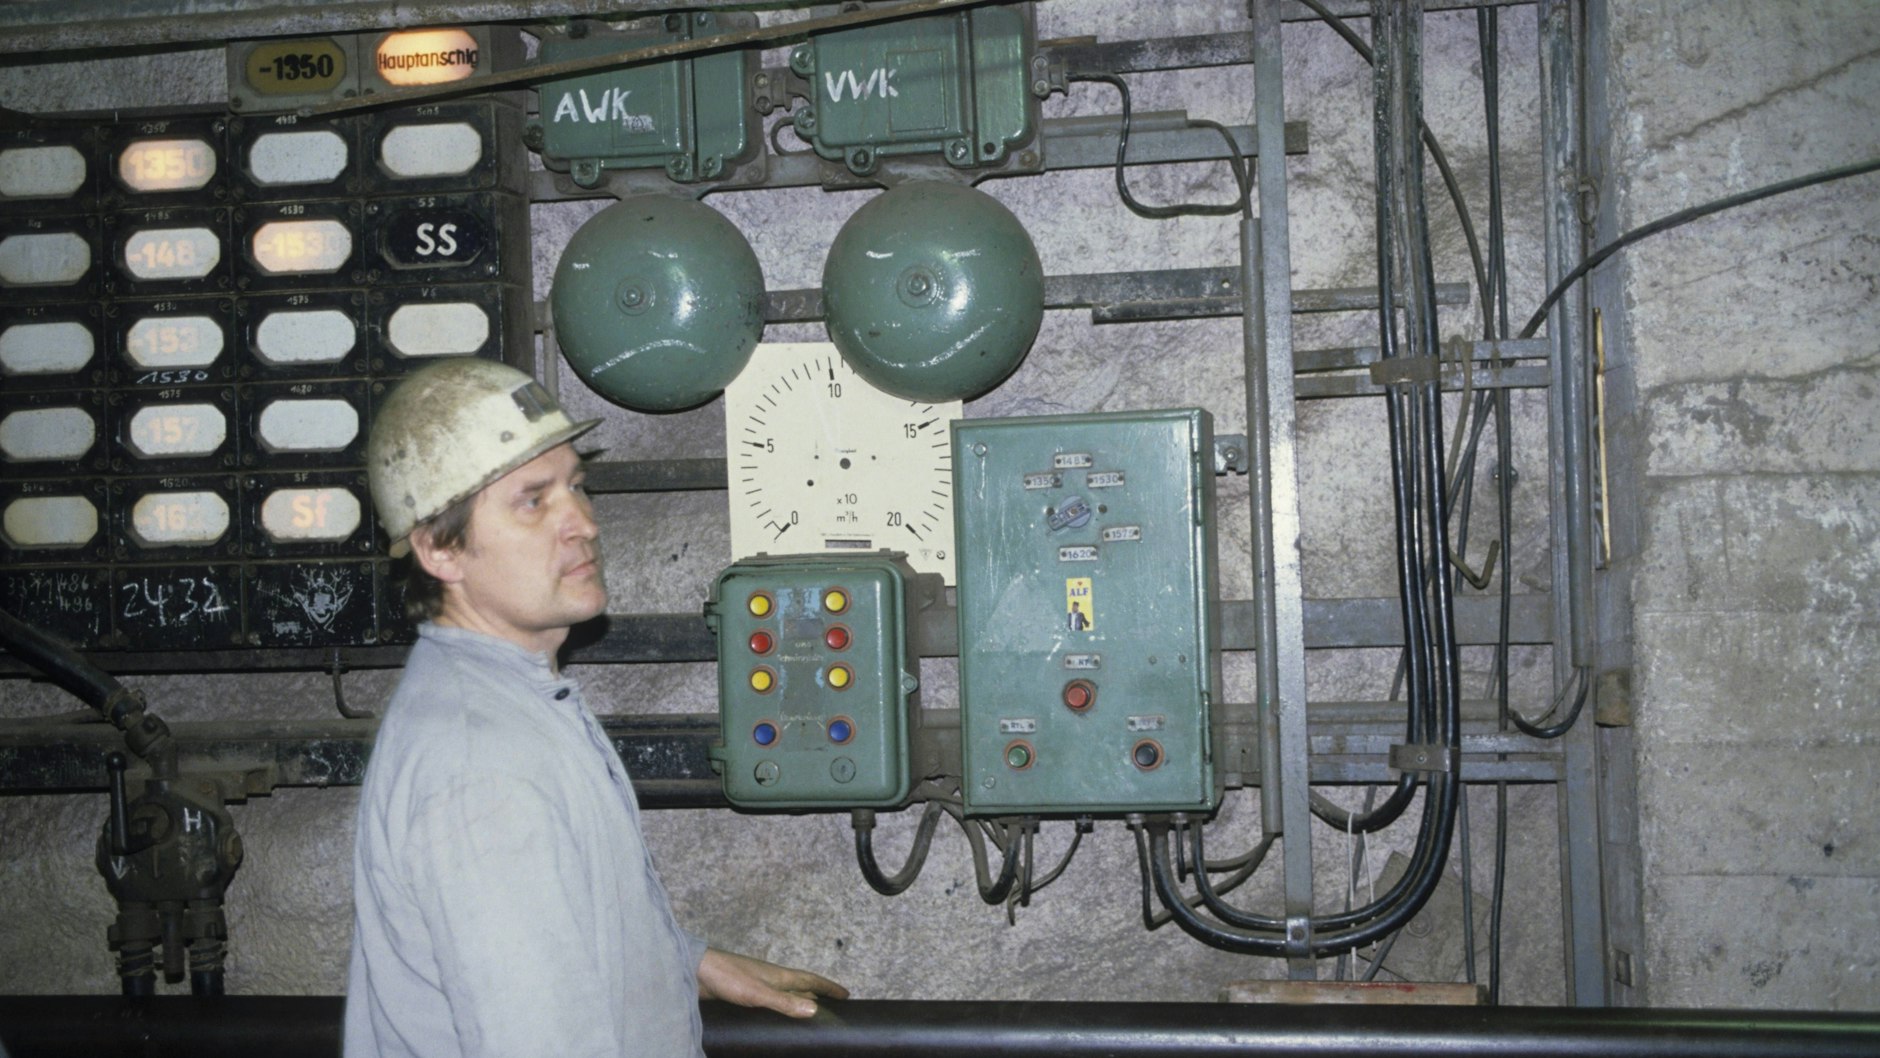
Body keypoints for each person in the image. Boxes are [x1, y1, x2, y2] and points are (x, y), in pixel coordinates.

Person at [345, 358, 847, 1057]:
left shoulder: (512, 699)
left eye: (577, 487)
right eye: (533, 500)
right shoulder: (482, 769)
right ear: (439, 549)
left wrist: (681, 961)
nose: (581, 521)